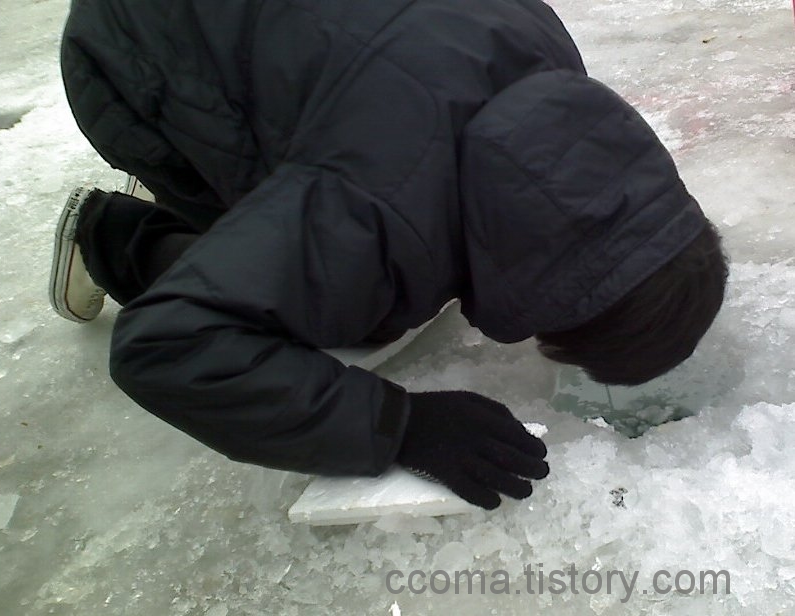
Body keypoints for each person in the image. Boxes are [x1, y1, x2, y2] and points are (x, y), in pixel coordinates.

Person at [51, 0, 728, 511]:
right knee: (346, 316)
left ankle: (250, 222)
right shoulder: (367, 207)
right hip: (130, 47)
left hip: (291, 40)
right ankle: (112, 234)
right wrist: (400, 427)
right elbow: (169, 347)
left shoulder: (546, 52)